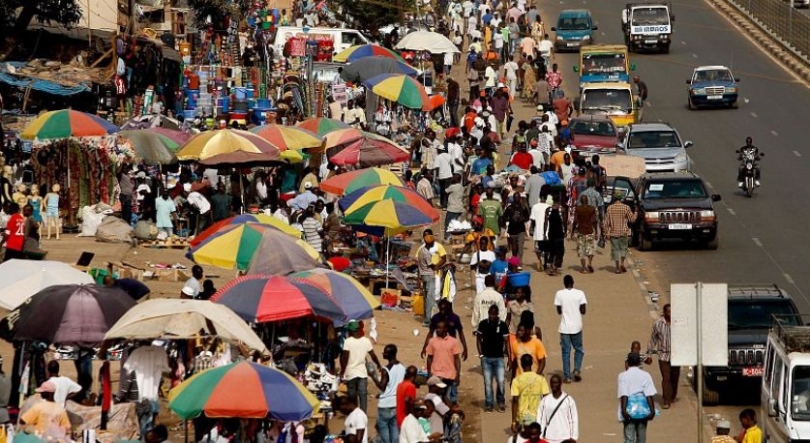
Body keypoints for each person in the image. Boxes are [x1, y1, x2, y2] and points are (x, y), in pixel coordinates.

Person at [340, 319, 382, 413]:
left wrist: (342, 371)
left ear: (351, 331)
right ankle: (363, 414)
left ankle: (354, 413)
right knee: (363, 395)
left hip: (351, 373)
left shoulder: (348, 342)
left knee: (352, 396)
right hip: (362, 373)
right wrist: (378, 364)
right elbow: (373, 355)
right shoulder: (366, 341)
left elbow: (345, 357)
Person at [475, 305, 510, 412]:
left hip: (499, 358)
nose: (492, 316)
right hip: (486, 358)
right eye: (490, 314)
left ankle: (501, 401)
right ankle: (489, 404)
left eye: (494, 314)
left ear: (497, 314)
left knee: (501, 381)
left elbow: (507, 342)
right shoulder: (483, 324)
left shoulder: (502, 325)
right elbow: (478, 339)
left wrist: (509, 357)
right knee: (488, 382)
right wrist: (481, 354)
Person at [555, 275, 587, 384]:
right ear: (573, 283)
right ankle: (577, 369)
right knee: (579, 349)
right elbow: (583, 311)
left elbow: (559, 311)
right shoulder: (580, 293)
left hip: (564, 328)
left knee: (566, 352)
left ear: (564, 283)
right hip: (577, 326)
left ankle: (567, 376)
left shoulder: (559, 294)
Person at [644, 304, 678, 409]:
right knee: (666, 378)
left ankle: (672, 395)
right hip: (663, 355)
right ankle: (666, 400)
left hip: (676, 356)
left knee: (674, 378)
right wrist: (649, 355)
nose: (670, 314)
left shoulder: (678, 324)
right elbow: (653, 340)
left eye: (672, 312)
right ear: (664, 312)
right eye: (668, 312)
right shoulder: (658, 324)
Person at [619, 352, 656, 443]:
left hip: (629, 411)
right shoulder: (646, 375)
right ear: (639, 362)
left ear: (628, 362)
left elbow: (624, 394)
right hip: (642, 411)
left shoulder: (623, 376)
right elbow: (649, 394)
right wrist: (652, 410)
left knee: (629, 438)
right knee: (642, 438)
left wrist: (624, 410)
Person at [374, 345, 406, 443]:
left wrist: (373, 376)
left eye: (385, 352)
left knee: (384, 435)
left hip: (385, 405)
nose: (383, 354)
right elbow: (394, 385)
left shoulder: (386, 369)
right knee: (395, 432)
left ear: (390, 354)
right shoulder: (402, 367)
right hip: (396, 403)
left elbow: (382, 386)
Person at [426, 320, 463, 403]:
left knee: (448, 399)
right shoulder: (432, 341)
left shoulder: (453, 342)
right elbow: (429, 358)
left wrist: (457, 375)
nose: (437, 330)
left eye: (440, 328)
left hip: (449, 375)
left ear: (445, 329)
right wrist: (429, 373)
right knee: (435, 399)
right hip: (436, 374)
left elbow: (457, 359)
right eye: (437, 328)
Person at [414, 230, 447, 324]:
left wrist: (437, 266)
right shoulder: (422, 249)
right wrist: (419, 278)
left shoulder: (438, 246)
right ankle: (430, 318)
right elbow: (420, 263)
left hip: (435, 275)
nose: (429, 239)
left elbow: (444, 258)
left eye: (430, 237)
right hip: (428, 275)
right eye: (427, 237)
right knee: (429, 297)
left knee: (432, 296)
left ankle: (432, 318)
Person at [510, 354, 549, 431]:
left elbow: (515, 400)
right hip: (537, 415)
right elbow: (546, 399)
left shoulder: (516, 380)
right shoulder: (541, 379)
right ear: (532, 363)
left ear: (521, 364)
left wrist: (514, 422)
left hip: (522, 417)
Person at [536, 374, 579, 443]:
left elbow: (573, 419)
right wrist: (539, 437)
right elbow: (541, 420)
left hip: (565, 438)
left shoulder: (568, 400)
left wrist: (574, 437)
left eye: (556, 382)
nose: (553, 385)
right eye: (552, 383)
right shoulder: (545, 401)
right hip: (548, 438)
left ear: (560, 383)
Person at [603, 193, 637, 274]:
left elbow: (606, 223)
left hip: (613, 233)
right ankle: (622, 263)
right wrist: (636, 212)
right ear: (621, 199)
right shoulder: (626, 207)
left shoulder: (610, 208)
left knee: (615, 250)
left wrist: (606, 233)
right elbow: (632, 220)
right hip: (623, 232)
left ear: (614, 198)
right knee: (623, 249)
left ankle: (617, 268)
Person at [573, 194, 597, 273]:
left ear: (580, 201)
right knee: (591, 249)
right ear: (587, 201)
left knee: (581, 251)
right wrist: (596, 231)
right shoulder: (592, 208)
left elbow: (575, 220)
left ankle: (583, 268)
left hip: (581, 231)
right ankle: (589, 262)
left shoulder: (578, 209)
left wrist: (573, 231)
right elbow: (594, 221)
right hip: (589, 231)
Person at [504, 195, 529, 262]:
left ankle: (519, 263)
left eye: (518, 197)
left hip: (521, 230)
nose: (516, 199)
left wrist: (522, 219)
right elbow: (504, 217)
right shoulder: (509, 208)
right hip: (512, 230)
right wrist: (511, 218)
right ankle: (514, 261)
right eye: (515, 197)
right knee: (514, 247)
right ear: (513, 198)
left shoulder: (523, 208)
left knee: (520, 248)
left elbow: (527, 217)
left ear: (520, 198)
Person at [444, 175, 465, 239]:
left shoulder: (453, 187)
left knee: (448, 223)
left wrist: (449, 182)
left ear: (456, 179)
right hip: (459, 208)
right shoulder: (461, 187)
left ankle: (448, 237)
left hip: (452, 209)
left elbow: (445, 191)